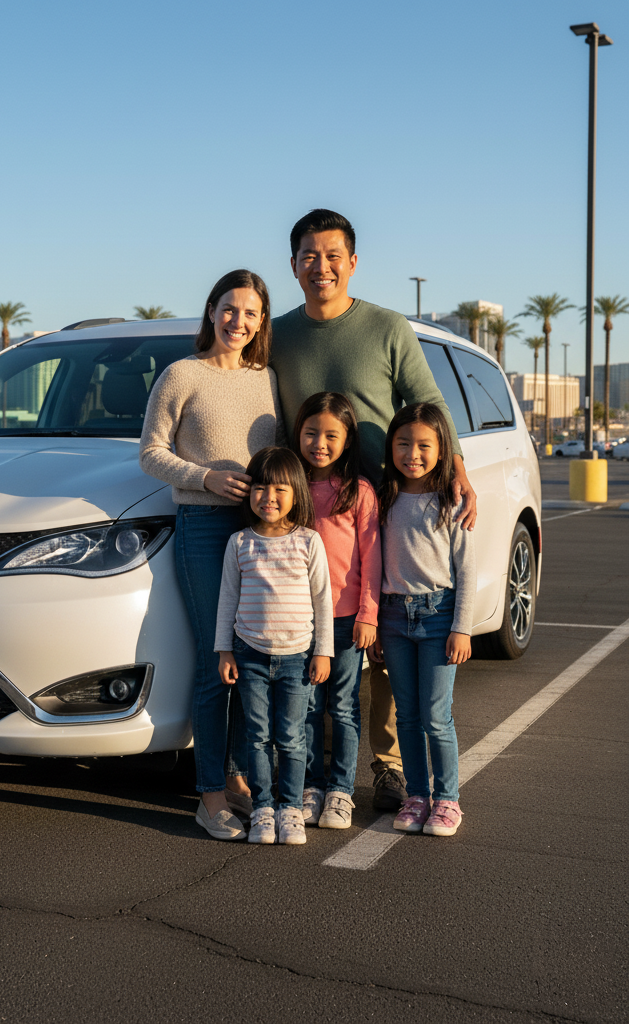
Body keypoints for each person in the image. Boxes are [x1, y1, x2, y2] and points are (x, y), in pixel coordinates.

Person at [268, 208, 477, 811]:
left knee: (381, 643)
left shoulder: (387, 327)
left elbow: (428, 401)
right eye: (310, 255)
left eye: (334, 256)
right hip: (308, 510)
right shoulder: (278, 335)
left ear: (352, 263)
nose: (322, 266)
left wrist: (456, 466)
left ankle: (387, 768)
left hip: (384, 504)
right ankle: (311, 773)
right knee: (315, 640)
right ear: (294, 265)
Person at [140, 269, 282, 841]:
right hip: (201, 527)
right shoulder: (181, 374)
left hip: (262, 530)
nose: (238, 321)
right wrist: (203, 478)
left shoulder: (268, 378)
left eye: (250, 313)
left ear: (261, 321)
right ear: (210, 311)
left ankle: (241, 777)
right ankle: (209, 794)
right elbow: (150, 453)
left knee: (255, 660)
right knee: (215, 658)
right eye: (229, 309)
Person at [215, 446, 334, 845]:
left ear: (297, 493)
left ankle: (290, 809)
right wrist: (225, 650)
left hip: (298, 658)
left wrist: (323, 651)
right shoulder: (239, 543)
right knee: (257, 736)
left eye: (280, 489)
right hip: (249, 655)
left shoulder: (308, 542)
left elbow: (323, 601)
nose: (269, 497)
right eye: (261, 488)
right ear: (249, 493)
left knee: (292, 737)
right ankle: (263, 808)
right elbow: (227, 600)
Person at [375, 403, 474, 837]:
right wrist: (376, 621)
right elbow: (375, 566)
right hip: (394, 618)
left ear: (441, 450)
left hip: (438, 618)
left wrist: (462, 627)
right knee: (408, 716)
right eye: (403, 444)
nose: (412, 453)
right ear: (390, 447)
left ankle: (448, 800)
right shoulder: (384, 498)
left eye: (423, 445)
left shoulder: (449, 502)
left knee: (436, 715)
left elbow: (466, 569)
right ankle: (417, 796)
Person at [294, 392, 381, 830]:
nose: (320, 443)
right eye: (311, 433)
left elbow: (372, 556)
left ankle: (341, 791)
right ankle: (311, 786)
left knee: (343, 706)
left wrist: (369, 614)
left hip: (346, 620)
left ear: (348, 440)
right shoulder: (289, 487)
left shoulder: (358, 491)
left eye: (331, 435)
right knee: (307, 706)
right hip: (298, 619)